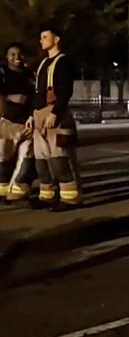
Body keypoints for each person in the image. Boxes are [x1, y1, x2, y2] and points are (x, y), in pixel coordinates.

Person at [27, 27, 82, 210]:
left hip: (55, 115)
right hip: (39, 114)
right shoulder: (43, 63)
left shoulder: (63, 62)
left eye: (45, 37)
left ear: (56, 39)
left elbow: (65, 90)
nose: (41, 40)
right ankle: (47, 194)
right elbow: (38, 93)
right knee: (42, 160)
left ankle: (70, 197)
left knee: (60, 157)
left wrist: (55, 112)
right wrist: (31, 115)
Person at [0, 42, 37, 203]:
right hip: (6, 123)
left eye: (19, 54)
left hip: (26, 124)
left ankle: (17, 192)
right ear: (7, 57)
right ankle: (1, 190)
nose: (17, 58)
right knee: (3, 159)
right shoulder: (2, 73)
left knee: (25, 160)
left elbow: (36, 96)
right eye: (12, 54)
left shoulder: (30, 75)